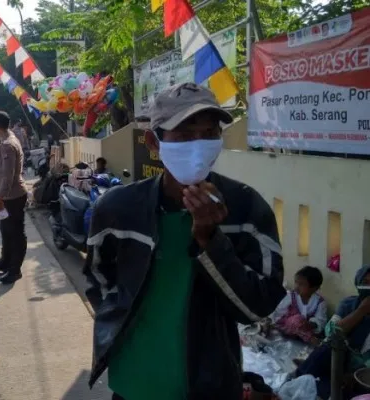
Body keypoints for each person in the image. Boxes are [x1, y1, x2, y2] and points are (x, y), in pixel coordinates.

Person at [83, 83, 286, 400]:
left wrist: (211, 240)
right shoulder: (117, 208)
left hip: (210, 386)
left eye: (209, 132)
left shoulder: (246, 208)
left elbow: (257, 307)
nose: (199, 144)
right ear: (154, 142)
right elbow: (98, 275)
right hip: (133, 381)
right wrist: (123, 319)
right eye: (185, 133)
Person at [295, 265, 370, 399]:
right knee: (325, 348)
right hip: (337, 359)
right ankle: (302, 377)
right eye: (366, 283)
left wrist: (354, 375)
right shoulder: (348, 304)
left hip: (362, 373)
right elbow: (331, 333)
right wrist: (361, 311)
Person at [0, 111, 28, 285]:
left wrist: (0, 197)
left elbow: (8, 176)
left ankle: (14, 269)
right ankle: (5, 262)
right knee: (6, 231)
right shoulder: (8, 140)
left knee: (16, 233)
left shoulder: (8, 145)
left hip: (13, 195)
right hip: (10, 195)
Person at [267, 265, 327, 345]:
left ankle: (307, 337)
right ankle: (312, 340)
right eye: (296, 282)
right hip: (288, 327)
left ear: (314, 288)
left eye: (301, 284)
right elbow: (278, 311)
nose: (297, 287)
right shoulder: (291, 296)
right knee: (297, 320)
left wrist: (311, 324)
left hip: (306, 329)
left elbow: (321, 320)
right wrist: (270, 322)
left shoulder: (319, 302)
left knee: (301, 323)